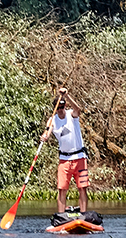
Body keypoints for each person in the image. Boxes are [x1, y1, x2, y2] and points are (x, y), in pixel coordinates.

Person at [41, 88, 101, 228]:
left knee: (82, 188)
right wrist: (44, 137)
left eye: (63, 106)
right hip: (64, 160)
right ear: (55, 108)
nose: (61, 109)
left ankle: (85, 216)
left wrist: (67, 95)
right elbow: (47, 132)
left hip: (80, 157)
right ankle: (61, 218)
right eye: (59, 107)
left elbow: (78, 109)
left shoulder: (71, 115)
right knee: (62, 189)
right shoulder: (53, 120)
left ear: (65, 106)